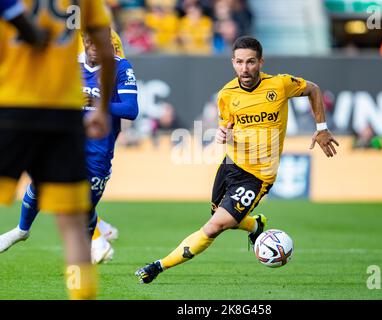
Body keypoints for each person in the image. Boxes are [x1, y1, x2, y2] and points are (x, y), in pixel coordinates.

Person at [135, 36, 339, 284]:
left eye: (251, 62)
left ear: (260, 62)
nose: (245, 68)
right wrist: (223, 134)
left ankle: (158, 266)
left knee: (214, 226)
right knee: (225, 220)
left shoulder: (280, 85)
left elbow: (313, 89)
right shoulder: (226, 94)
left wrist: (322, 127)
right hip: (230, 165)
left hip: (258, 176)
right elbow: (226, 128)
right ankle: (255, 225)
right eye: (240, 62)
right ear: (233, 63)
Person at [0, 0, 115, 299]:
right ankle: (81, 296)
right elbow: (106, 48)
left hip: (11, 105)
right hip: (63, 114)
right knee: (73, 226)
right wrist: (102, 108)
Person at [0, 31, 139, 264]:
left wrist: (97, 103)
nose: (98, 48)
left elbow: (130, 110)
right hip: (66, 141)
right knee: (40, 184)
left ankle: (93, 242)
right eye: (92, 43)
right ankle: (22, 231)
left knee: (82, 208)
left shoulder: (121, 67)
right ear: (84, 42)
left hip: (99, 151)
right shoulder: (69, 64)